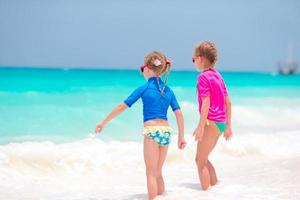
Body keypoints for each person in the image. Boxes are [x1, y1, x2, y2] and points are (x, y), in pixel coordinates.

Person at [95, 51, 186, 200]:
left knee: (150, 172)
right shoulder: (168, 90)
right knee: (158, 172)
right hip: (166, 132)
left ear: (148, 69)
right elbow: (179, 114)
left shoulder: (144, 88)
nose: (142, 71)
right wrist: (181, 137)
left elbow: (121, 106)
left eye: (142, 68)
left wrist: (103, 122)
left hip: (152, 131)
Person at [192, 41, 232, 190]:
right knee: (204, 159)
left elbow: (206, 102)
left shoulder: (203, 77)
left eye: (193, 59)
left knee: (199, 161)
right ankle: (215, 190)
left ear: (201, 58)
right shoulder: (218, 76)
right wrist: (228, 126)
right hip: (220, 123)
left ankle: (205, 194)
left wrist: (201, 126)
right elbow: (228, 102)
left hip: (211, 122)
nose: (194, 62)